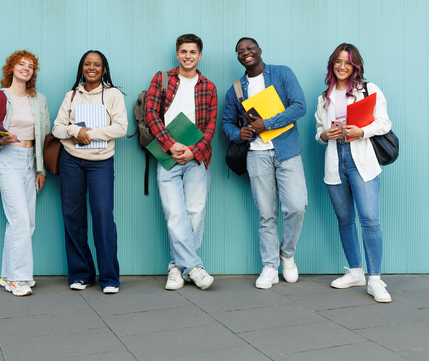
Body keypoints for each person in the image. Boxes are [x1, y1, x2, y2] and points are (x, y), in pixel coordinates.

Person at [222, 37, 308, 289]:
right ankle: (270, 266)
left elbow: (299, 106)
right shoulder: (236, 89)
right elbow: (227, 123)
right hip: (257, 155)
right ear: (238, 57)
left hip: (287, 151)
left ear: (260, 50)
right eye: (240, 51)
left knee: (296, 206)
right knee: (266, 214)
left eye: (250, 49)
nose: (246, 53)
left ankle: (287, 255)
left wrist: (267, 124)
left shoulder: (282, 74)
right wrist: (239, 134)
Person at [315, 43, 393, 303]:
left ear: (355, 65)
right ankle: (356, 271)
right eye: (337, 61)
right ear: (332, 64)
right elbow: (319, 131)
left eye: (347, 62)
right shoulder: (323, 97)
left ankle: (375, 279)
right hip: (335, 160)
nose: (342, 66)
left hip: (361, 159)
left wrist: (361, 131)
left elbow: (384, 123)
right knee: (345, 219)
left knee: (370, 219)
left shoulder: (368, 91)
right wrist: (325, 134)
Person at [0, 50, 51, 297]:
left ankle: (7, 275)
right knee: (19, 220)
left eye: (30, 66)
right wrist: (2, 142)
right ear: (12, 69)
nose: (26, 68)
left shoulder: (39, 99)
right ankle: (20, 278)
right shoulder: (0, 98)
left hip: (31, 161)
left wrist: (41, 169)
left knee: (27, 222)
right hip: (8, 161)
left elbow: (44, 137)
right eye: (21, 64)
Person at [145, 34, 218, 290]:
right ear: (177, 54)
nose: (188, 56)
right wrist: (171, 144)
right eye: (183, 51)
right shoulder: (162, 79)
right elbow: (151, 114)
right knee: (175, 213)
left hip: (197, 157)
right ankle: (194, 268)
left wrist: (193, 150)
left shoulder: (208, 86)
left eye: (193, 52)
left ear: (199, 56)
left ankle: (177, 267)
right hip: (167, 156)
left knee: (195, 212)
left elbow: (210, 126)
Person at [52, 50, 128, 294]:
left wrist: (89, 134)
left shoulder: (113, 94)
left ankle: (109, 278)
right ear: (82, 67)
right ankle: (81, 274)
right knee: (72, 217)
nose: (92, 68)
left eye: (97, 64)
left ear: (104, 69)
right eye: (87, 64)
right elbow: (56, 128)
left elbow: (121, 127)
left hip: (100, 162)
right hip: (70, 161)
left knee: (103, 216)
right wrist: (75, 131)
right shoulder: (72, 95)